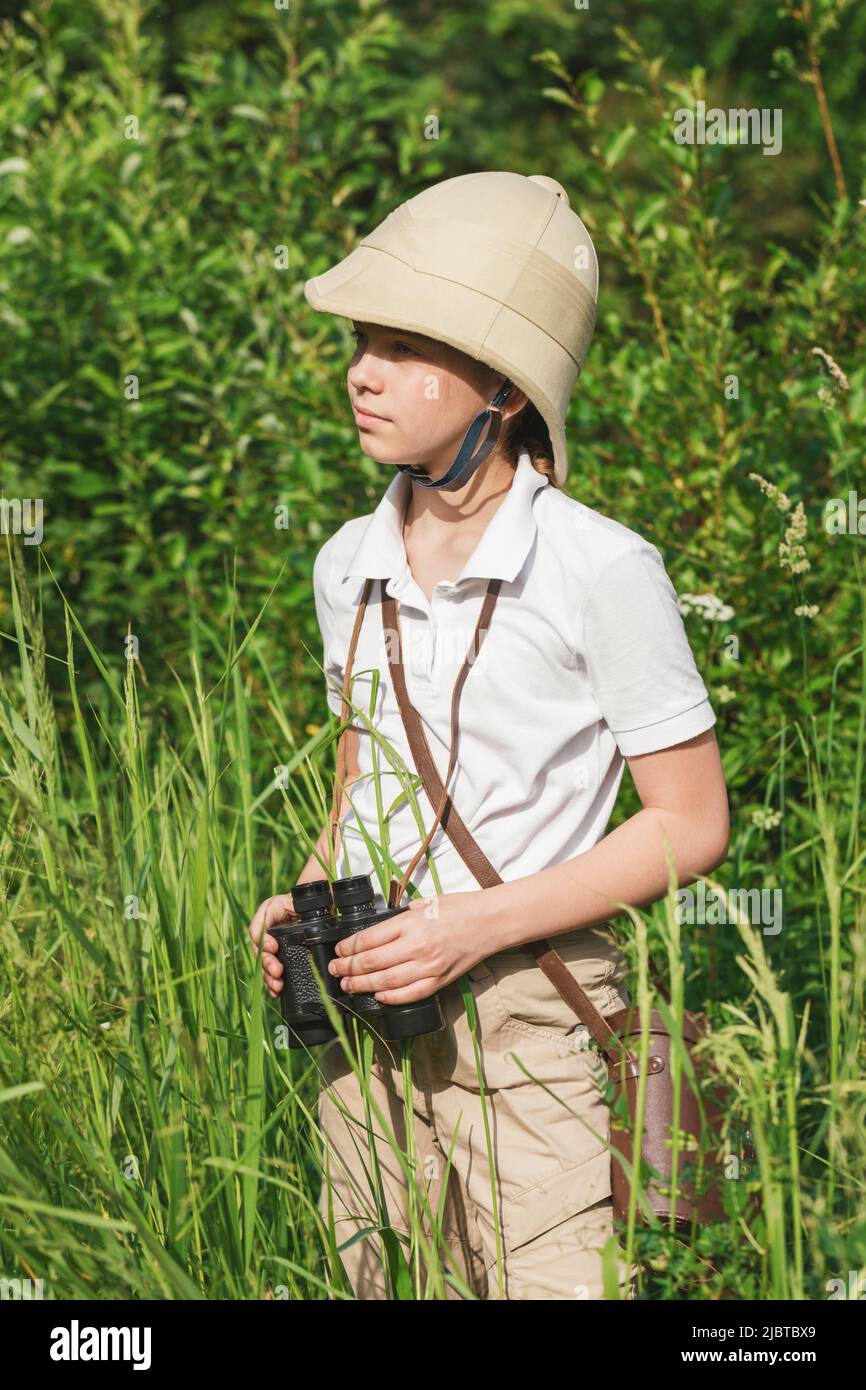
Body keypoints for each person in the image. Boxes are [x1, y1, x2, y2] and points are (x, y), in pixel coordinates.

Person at [248, 171, 730, 1300]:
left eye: (405, 343)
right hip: (365, 1029)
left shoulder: (603, 570)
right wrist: (305, 890)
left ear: (503, 391)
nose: (360, 369)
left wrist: (471, 928)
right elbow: (362, 777)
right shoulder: (343, 566)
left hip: (532, 1031)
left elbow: (690, 823)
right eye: (362, 337)